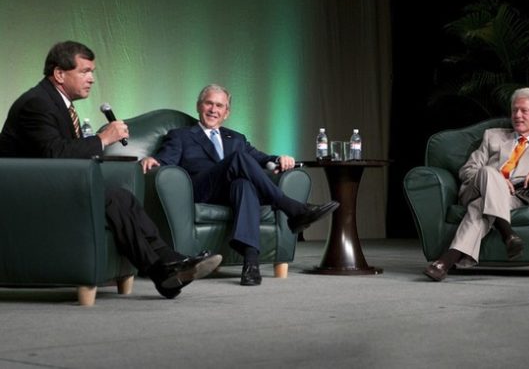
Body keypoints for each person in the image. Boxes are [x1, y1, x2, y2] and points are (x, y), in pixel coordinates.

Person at [0, 41, 222, 299]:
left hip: (53, 187)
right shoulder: (37, 103)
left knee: (120, 198)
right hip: (23, 195)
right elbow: (54, 153)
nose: (91, 79)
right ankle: (164, 269)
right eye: (84, 71)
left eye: (92, 72)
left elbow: (62, 153)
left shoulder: (57, 102)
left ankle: (167, 266)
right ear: (60, 74)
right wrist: (103, 139)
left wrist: (96, 145)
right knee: (115, 198)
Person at [140, 84, 340, 286]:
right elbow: (165, 160)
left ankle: (251, 264)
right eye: (209, 103)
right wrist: (153, 160)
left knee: (243, 185)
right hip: (199, 190)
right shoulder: (181, 135)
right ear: (199, 106)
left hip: (230, 193)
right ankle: (291, 207)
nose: (213, 110)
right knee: (238, 159)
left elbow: (260, 158)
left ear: (226, 113)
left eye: (219, 106)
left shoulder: (236, 138)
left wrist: (279, 159)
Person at [423, 87, 529, 282]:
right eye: (514, 110)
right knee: (488, 171)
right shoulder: (492, 136)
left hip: (515, 198)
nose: (517, 115)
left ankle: (445, 262)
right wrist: (496, 179)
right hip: (476, 189)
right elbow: (467, 170)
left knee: (479, 208)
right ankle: (507, 232)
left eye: (524, 111)